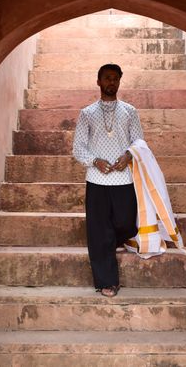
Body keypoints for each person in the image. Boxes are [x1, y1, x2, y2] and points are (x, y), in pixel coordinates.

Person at [73, 63, 144, 297]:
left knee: (125, 222)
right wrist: (95, 161)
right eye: (107, 78)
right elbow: (78, 148)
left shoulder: (130, 111)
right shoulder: (87, 113)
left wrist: (128, 155)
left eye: (115, 78)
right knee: (99, 232)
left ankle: (111, 240)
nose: (111, 82)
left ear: (120, 81)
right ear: (98, 81)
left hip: (124, 178)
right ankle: (107, 281)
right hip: (97, 180)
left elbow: (138, 143)